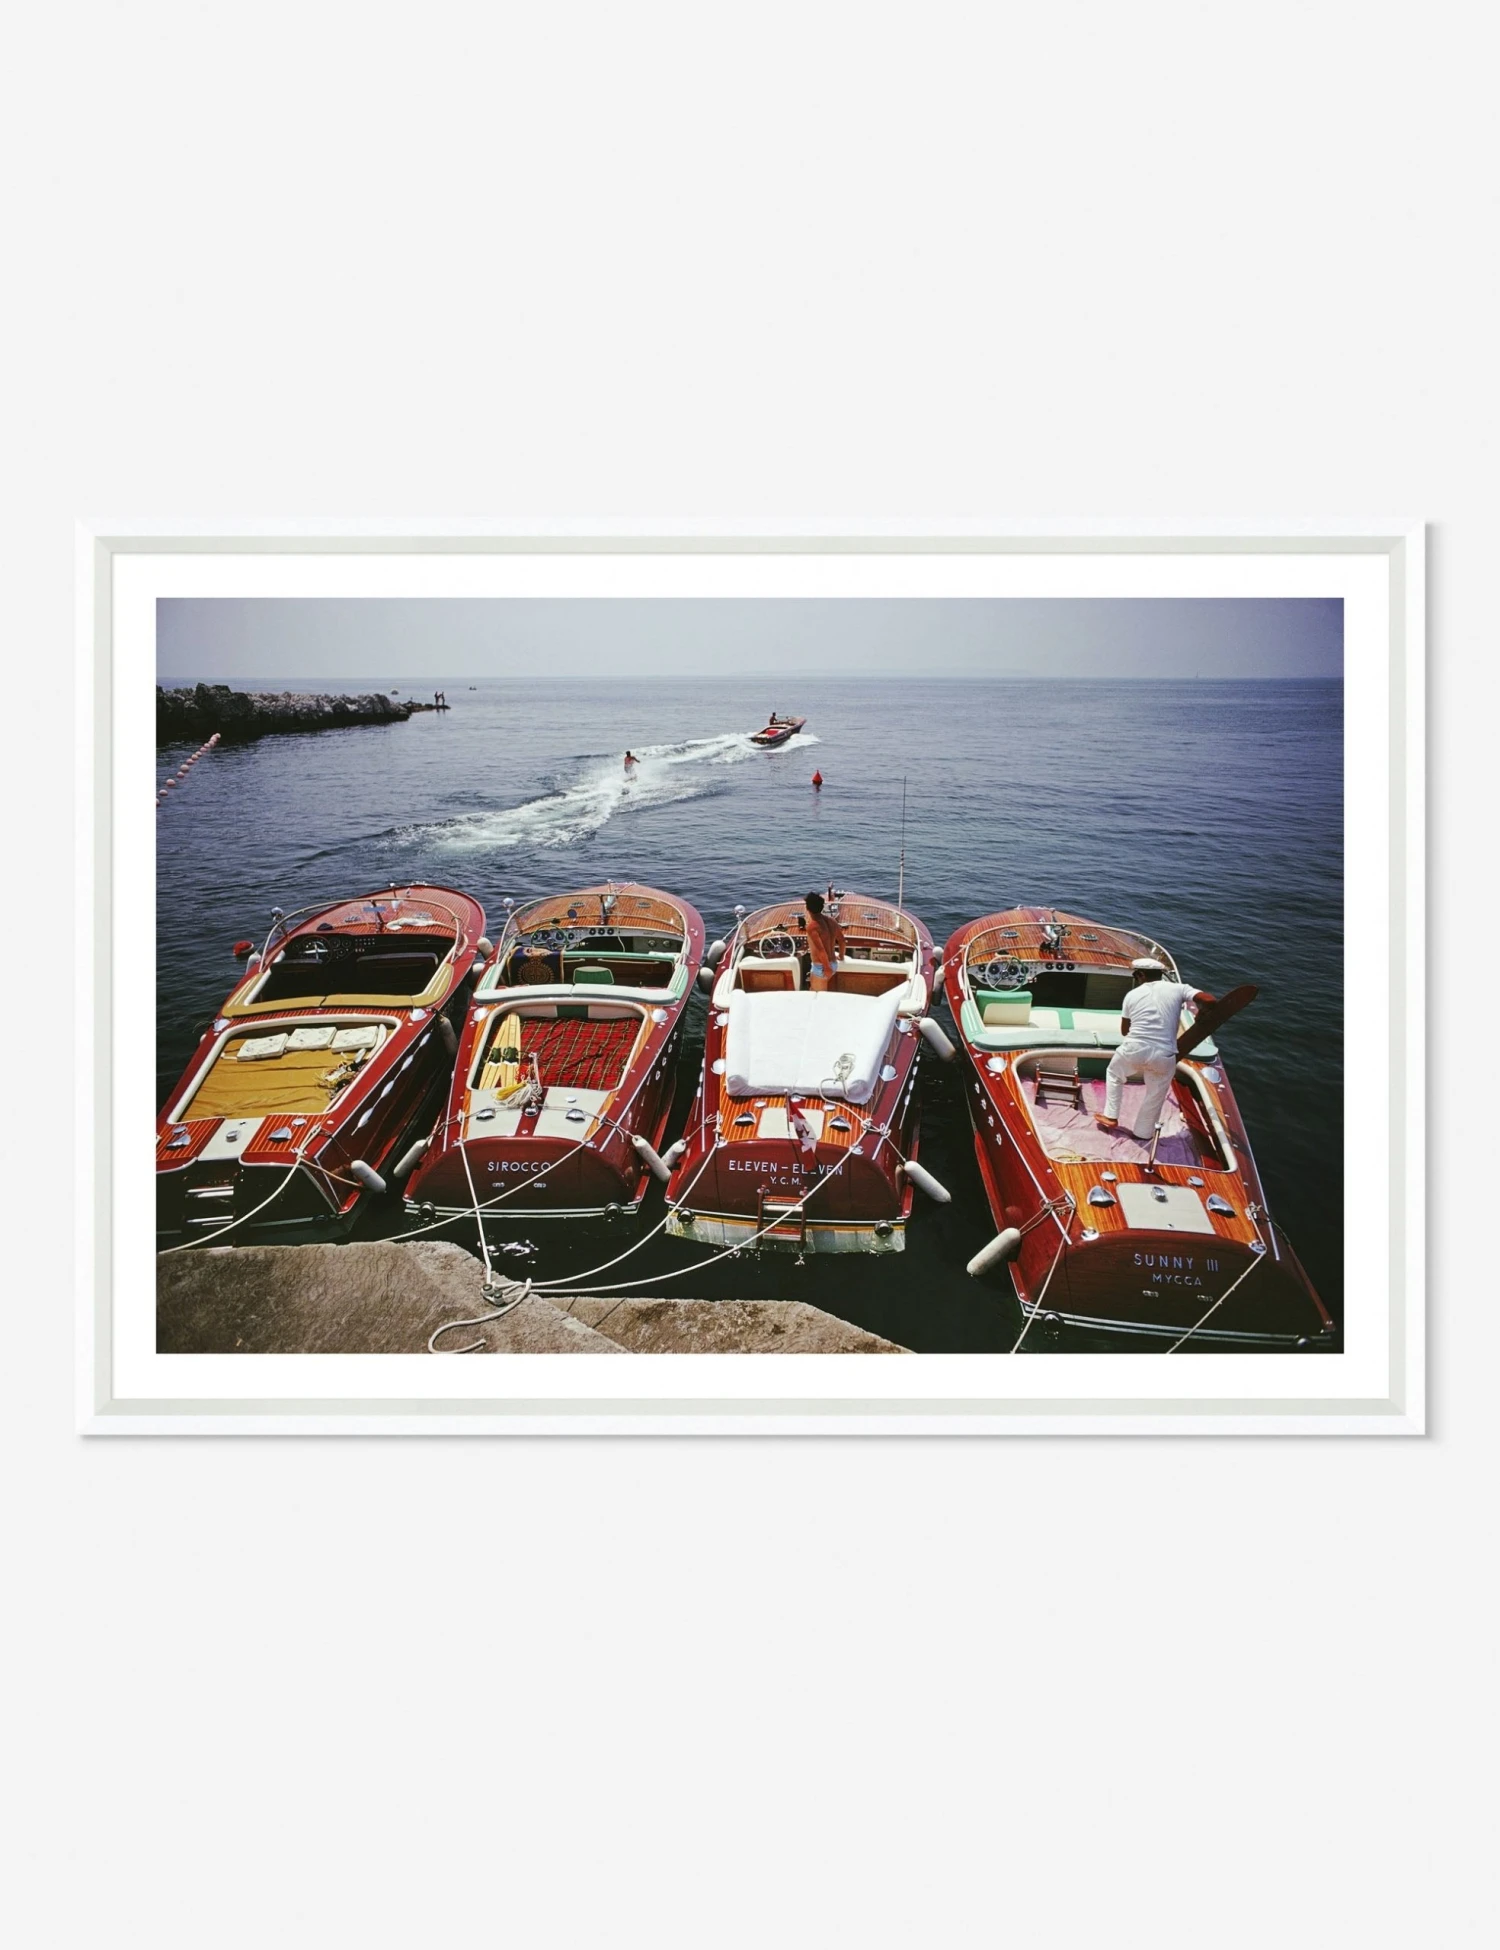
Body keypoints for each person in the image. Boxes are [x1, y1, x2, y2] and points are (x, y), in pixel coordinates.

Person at [1096, 958, 1217, 1139]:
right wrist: (1202, 1012)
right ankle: (1143, 1133)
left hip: (1134, 1049)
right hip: (1164, 1055)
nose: (1135, 978)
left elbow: (1124, 1031)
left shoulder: (1132, 995)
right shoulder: (1180, 988)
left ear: (1142, 974)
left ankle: (1111, 1116)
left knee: (1115, 1074)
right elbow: (1209, 1000)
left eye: (1136, 975)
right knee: (1155, 1094)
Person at [803, 889, 847, 993]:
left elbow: (821, 950)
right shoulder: (831, 920)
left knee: (817, 995)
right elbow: (842, 940)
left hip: (822, 967)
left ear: (807, 908)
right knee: (813, 990)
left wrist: (827, 968)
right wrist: (841, 956)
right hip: (833, 964)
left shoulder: (812, 927)